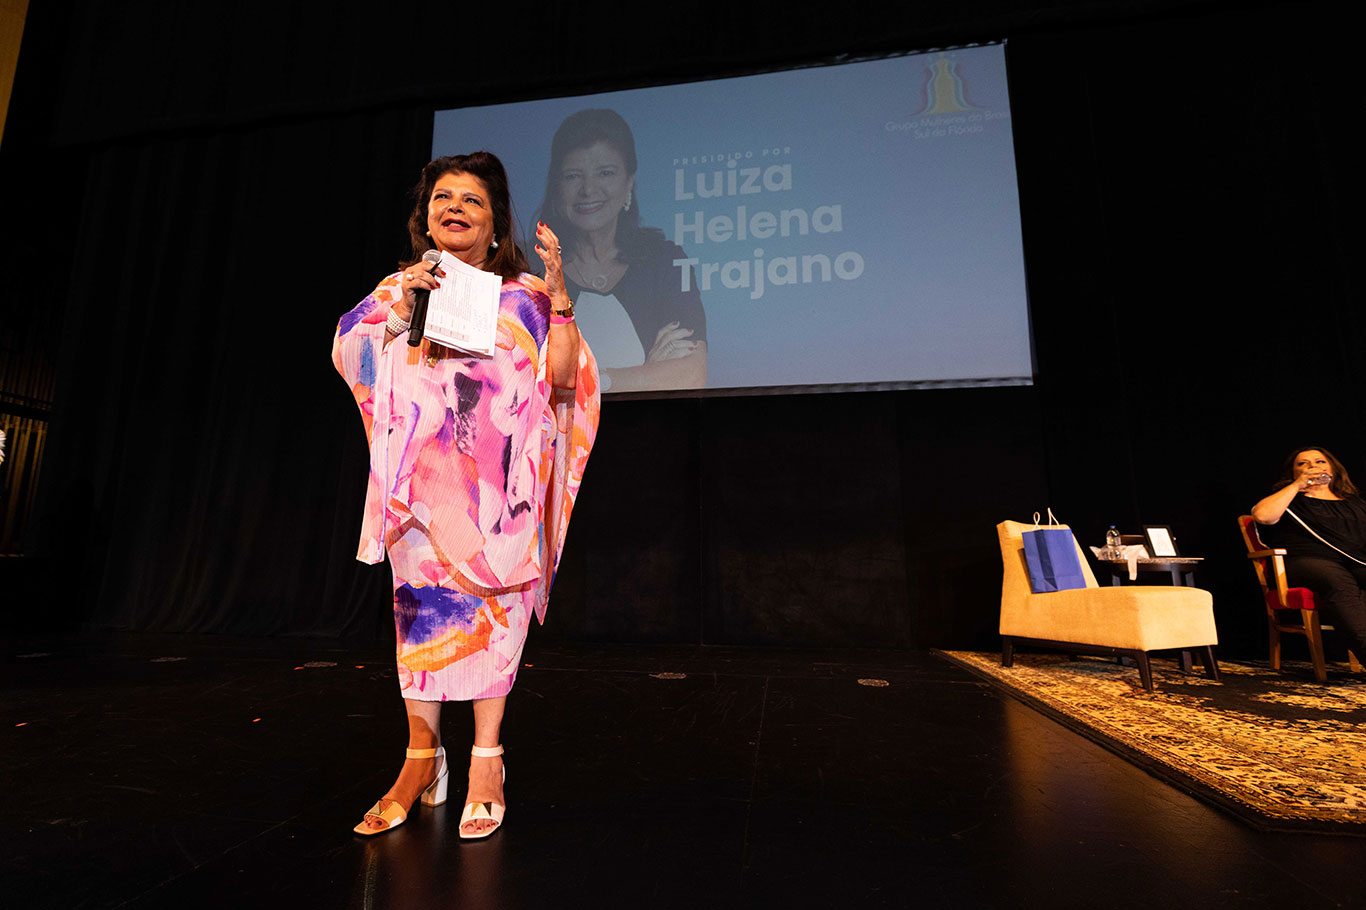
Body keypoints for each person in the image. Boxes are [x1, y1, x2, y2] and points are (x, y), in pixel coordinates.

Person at [332, 152, 599, 838]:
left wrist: (559, 293)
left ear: (495, 222)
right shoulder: (402, 287)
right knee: (423, 626)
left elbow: (563, 379)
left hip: (500, 494)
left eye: (471, 200)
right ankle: (421, 759)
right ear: (425, 218)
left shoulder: (526, 297)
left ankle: (486, 759)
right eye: (442, 198)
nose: (454, 208)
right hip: (422, 492)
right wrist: (400, 307)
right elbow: (350, 354)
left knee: (494, 624)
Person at [535, 108, 707, 393]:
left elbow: (691, 374)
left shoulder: (664, 262)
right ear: (556, 187)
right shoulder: (532, 270)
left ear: (629, 181)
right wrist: (645, 374)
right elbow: (531, 385)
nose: (588, 190)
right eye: (573, 176)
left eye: (605, 173)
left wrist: (591, 382)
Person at [1251, 446, 1366, 664]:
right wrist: (1297, 485)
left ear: (1333, 469)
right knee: (1336, 579)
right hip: (1305, 562)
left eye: (1320, 461)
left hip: (1352, 563)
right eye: (1303, 463)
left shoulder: (1356, 504)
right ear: (1293, 472)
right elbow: (1263, 516)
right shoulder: (1290, 499)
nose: (1312, 465)